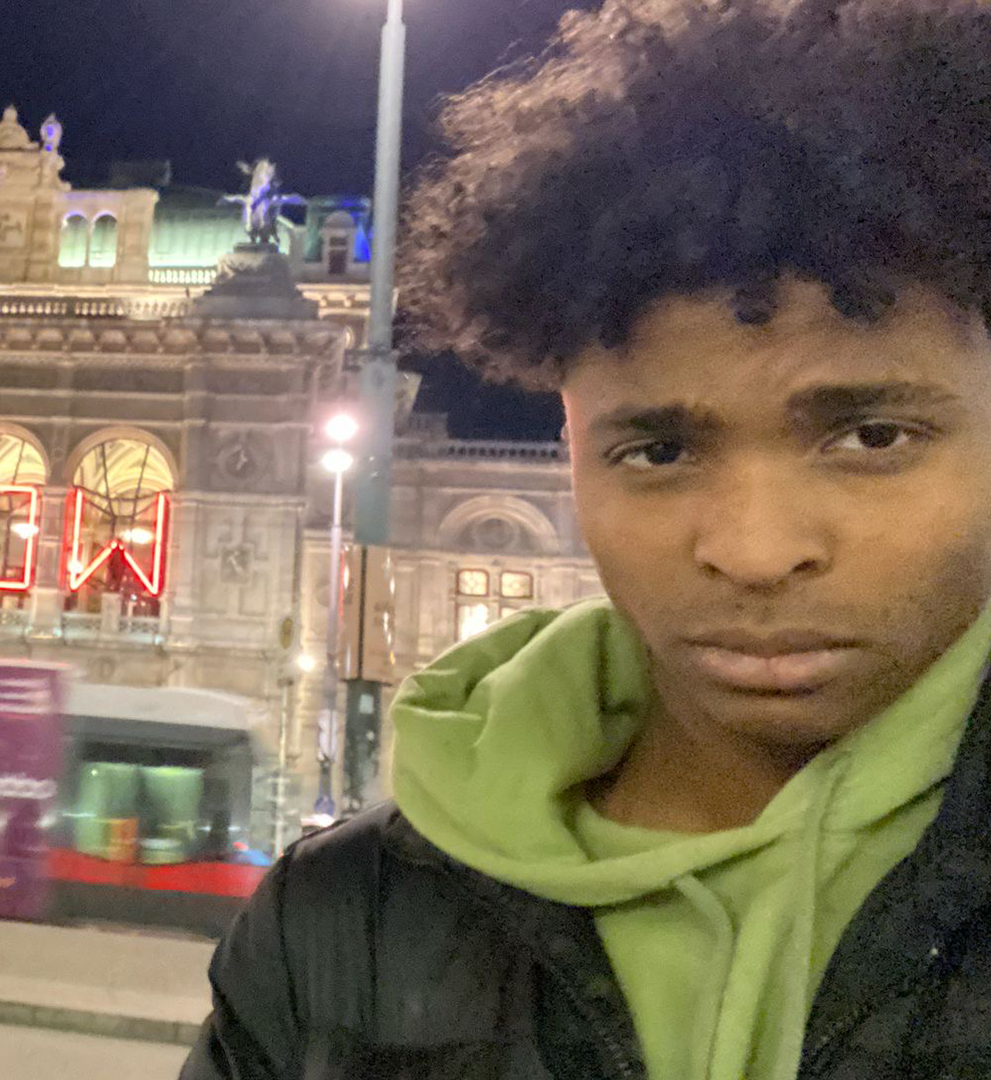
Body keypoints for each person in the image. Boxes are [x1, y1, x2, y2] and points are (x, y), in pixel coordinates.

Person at [184, 2, 991, 1077]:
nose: (754, 549)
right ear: (571, 447)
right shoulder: (342, 929)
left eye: (870, 434)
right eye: (657, 452)